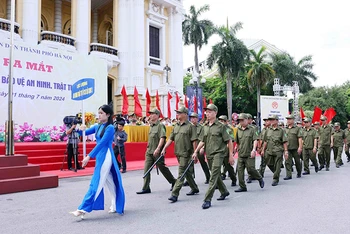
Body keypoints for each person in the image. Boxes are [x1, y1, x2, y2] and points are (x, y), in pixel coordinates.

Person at [69, 104, 125, 218]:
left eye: (101, 113)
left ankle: (82, 208)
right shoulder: (97, 126)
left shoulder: (110, 128)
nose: (99, 115)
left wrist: (89, 156)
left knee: (97, 182)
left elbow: (102, 144)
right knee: (110, 182)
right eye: (98, 113)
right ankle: (115, 205)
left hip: (106, 156)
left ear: (108, 115)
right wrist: (80, 128)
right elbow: (82, 133)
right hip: (100, 156)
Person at [192, 104, 234, 209]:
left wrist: (231, 156)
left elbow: (229, 141)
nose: (207, 113)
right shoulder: (205, 127)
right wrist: (196, 151)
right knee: (215, 174)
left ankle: (207, 199)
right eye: (206, 111)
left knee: (213, 175)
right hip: (209, 154)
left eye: (210, 111)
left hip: (219, 154)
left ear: (215, 113)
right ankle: (224, 191)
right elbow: (202, 140)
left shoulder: (221, 126)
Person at [161, 106, 199, 202]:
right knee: (186, 172)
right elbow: (171, 138)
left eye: (179, 113)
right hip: (178, 152)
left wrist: (195, 153)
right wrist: (164, 148)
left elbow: (194, 141)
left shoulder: (190, 126)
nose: (177, 114)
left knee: (181, 173)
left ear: (185, 114)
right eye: (177, 113)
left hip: (186, 154)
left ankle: (174, 194)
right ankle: (194, 188)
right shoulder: (176, 126)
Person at [136, 108, 176, 194]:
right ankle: (146, 187)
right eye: (150, 114)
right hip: (149, 151)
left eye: (152, 114)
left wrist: (158, 148)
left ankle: (173, 181)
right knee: (146, 169)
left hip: (157, 152)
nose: (150, 115)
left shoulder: (160, 126)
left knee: (162, 168)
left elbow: (162, 138)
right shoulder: (151, 126)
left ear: (157, 115)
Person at [234, 113, 264, 192]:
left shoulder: (252, 129)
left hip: (249, 152)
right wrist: (235, 148)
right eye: (240, 121)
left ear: (247, 120)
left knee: (251, 169)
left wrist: (254, 150)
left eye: (242, 120)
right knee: (240, 171)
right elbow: (237, 141)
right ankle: (242, 186)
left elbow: (255, 140)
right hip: (241, 153)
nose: (241, 122)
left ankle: (259, 178)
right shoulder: (238, 129)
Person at [261, 115, 288, 186]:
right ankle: (277, 171)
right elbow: (265, 141)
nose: (271, 121)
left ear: (277, 121)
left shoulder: (281, 130)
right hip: (269, 150)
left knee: (278, 164)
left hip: (278, 150)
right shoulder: (267, 130)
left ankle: (275, 179)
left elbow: (284, 141)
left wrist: (286, 151)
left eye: (273, 120)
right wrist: (263, 150)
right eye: (270, 120)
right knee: (268, 163)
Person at [189, 112, 210, 184]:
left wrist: (203, 147)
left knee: (202, 163)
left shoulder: (201, 127)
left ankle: (208, 177)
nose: (192, 119)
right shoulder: (188, 127)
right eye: (191, 118)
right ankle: (190, 179)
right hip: (190, 148)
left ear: (197, 119)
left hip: (199, 147)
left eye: (194, 118)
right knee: (189, 163)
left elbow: (204, 138)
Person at [218, 115, 237, 186]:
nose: (221, 122)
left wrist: (230, 152)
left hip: (226, 150)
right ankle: (218, 183)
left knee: (228, 166)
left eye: (222, 121)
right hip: (218, 150)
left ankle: (233, 178)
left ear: (226, 122)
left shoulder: (229, 129)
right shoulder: (217, 128)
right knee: (217, 167)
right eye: (220, 121)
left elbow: (231, 140)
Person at [284, 115, 303, 180]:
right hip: (288, 148)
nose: (288, 121)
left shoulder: (297, 128)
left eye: (289, 119)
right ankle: (288, 175)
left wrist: (300, 147)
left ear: (293, 120)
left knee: (297, 161)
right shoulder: (284, 129)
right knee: (287, 162)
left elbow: (300, 138)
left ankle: (299, 172)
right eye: (287, 119)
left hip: (295, 148)